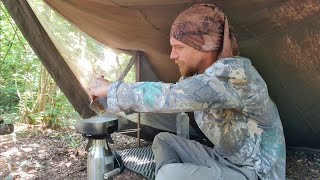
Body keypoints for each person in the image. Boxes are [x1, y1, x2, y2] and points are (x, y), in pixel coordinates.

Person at [88, 4, 286, 180]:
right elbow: (159, 98)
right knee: (164, 140)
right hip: (223, 159)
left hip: (256, 173)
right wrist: (107, 99)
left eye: (179, 47)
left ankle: (168, 175)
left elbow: (171, 97)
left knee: (170, 174)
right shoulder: (199, 78)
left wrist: (113, 88)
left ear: (204, 47)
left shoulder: (234, 75)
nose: (173, 55)